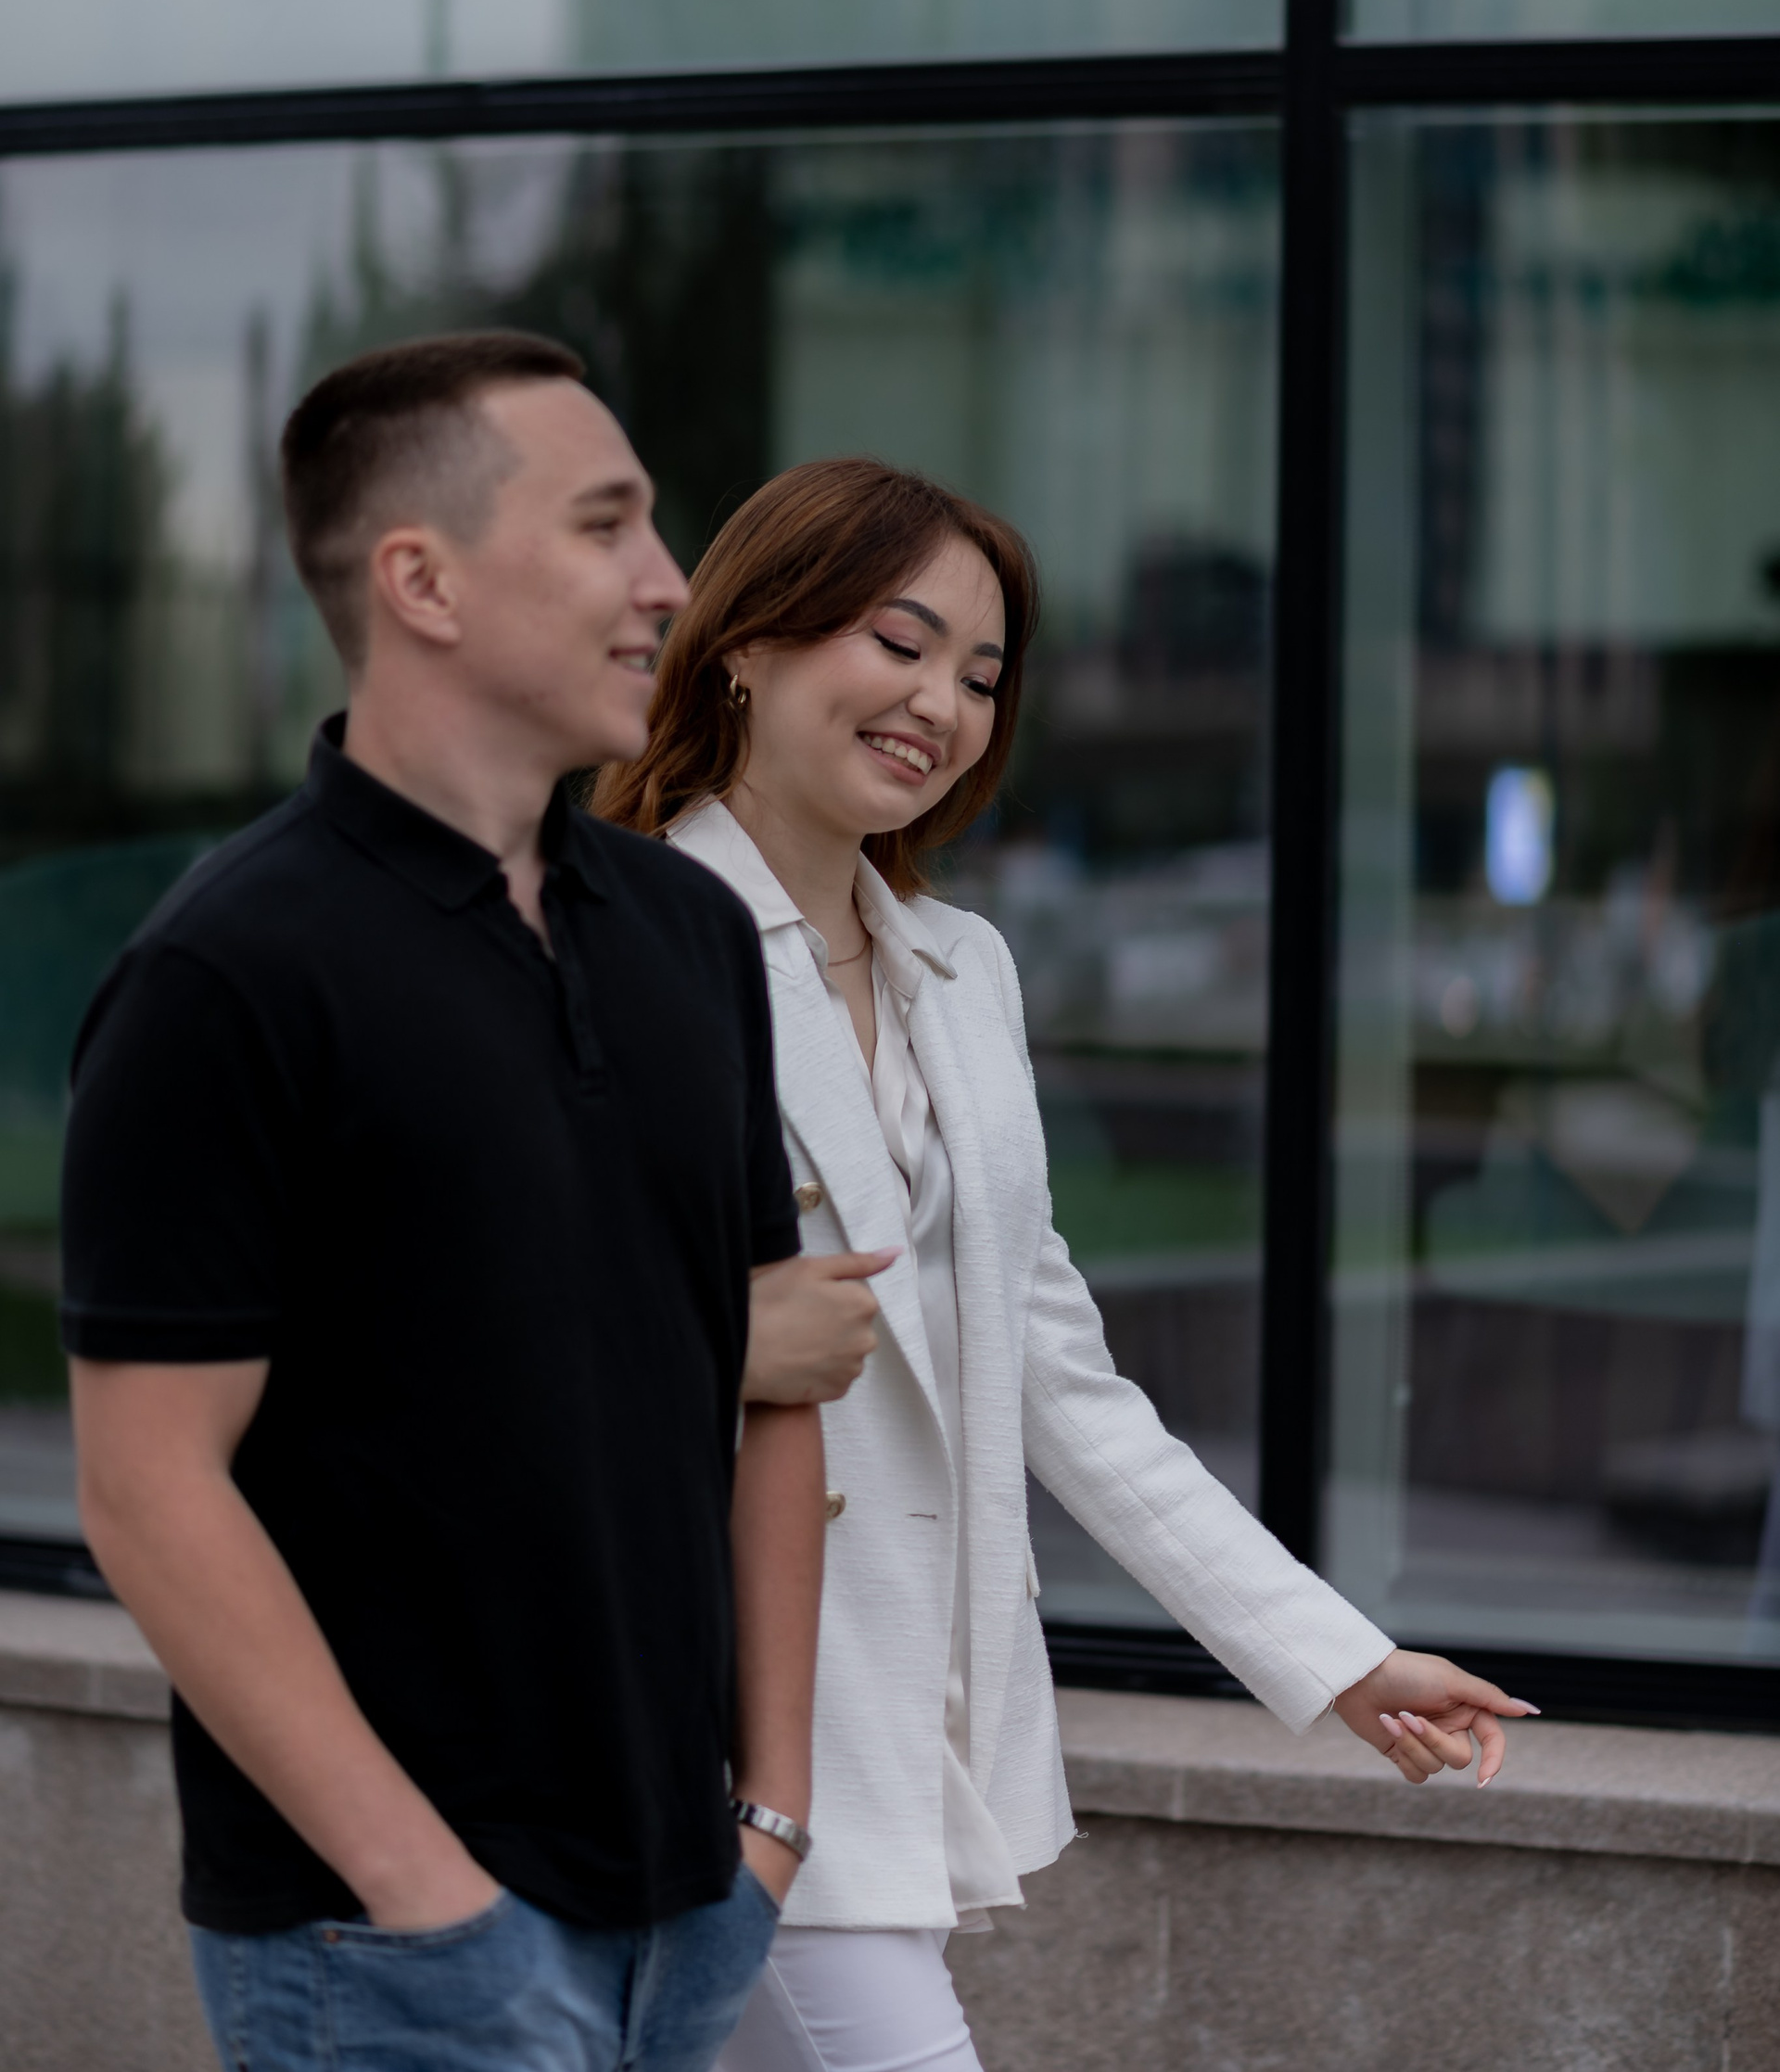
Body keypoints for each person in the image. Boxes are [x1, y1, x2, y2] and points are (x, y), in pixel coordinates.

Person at [596, 458, 1538, 2072]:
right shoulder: (617, 939)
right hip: (699, 1710)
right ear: (745, 641)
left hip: (895, 1717)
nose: (940, 706)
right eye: (899, 643)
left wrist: (1336, 1658)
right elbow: (506, 1324)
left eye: (980, 675)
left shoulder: (964, 972)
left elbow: (1059, 1379)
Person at [61, 333, 825, 2072]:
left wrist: (769, 1817)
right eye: (605, 526)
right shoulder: (226, 974)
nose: (667, 582)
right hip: (390, 1947)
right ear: (422, 581)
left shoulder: (694, 937)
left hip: (688, 1906)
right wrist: (426, 1894)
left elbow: (768, 1384)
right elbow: (148, 1485)